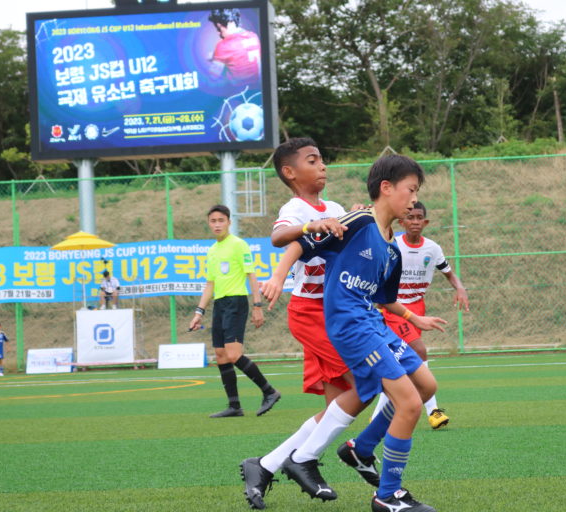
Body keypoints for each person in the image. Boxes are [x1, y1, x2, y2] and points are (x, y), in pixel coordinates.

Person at [261, 155, 447, 512]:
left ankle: (360, 448)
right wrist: (278, 276)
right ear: (386, 188)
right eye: (410, 190)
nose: (414, 200)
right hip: (351, 327)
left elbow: (384, 299)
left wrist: (415, 318)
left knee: (426, 386)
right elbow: (300, 244)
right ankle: (388, 496)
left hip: (374, 323)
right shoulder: (357, 222)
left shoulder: (392, 248)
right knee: (409, 404)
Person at [239, 137, 357, 509]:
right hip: (311, 313)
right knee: (365, 384)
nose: (322, 165)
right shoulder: (294, 208)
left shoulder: (334, 207)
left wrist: (355, 217)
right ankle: (303, 460)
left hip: (336, 310)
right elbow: (278, 236)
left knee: (336, 407)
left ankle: (265, 465)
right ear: (290, 172)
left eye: (322, 159)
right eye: (312, 160)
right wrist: (311, 226)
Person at [371, 201, 469, 429]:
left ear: (425, 222)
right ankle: (433, 411)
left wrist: (460, 288)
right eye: (410, 217)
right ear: (401, 222)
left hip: (418, 308)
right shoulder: (393, 245)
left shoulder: (432, 249)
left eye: (419, 218)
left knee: (398, 363)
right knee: (419, 350)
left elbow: (448, 273)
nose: (415, 222)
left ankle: (377, 416)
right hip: (395, 308)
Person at [189, 204, 281, 418]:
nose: (217, 224)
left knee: (233, 354)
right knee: (221, 355)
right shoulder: (212, 251)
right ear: (208, 224)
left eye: (221, 220)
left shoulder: (239, 245)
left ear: (229, 222)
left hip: (236, 302)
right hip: (220, 304)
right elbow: (210, 284)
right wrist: (199, 312)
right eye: (213, 221)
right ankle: (234, 406)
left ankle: (269, 391)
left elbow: (252, 275)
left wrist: (257, 306)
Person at [207, 8, 261, 85]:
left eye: (219, 28)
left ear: (230, 23)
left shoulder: (223, 46)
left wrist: (215, 58)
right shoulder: (254, 36)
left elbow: (213, 77)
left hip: (241, 90)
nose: (218, 33)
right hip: (259, 87)